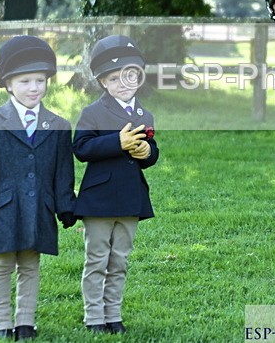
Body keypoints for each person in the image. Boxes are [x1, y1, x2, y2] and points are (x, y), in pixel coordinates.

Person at [0, 35, 76, 340]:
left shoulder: (58, 125)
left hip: (38, 207)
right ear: (8, 84)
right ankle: (1, 323)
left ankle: (25, 322)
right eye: (25, 81)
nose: (34, 88)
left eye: (40, 80)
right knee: (1, 264)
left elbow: (63, 172)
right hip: (1, 209)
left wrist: (65, 204)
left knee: (30, 264)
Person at [73, 35, 159, 335]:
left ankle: (114, 315)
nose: (124, 82)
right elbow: (81, 148)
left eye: (130, 75)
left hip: (130, 200)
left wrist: (148, 152)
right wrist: (117, 142)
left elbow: (151, 151)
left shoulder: (143, 115)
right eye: (114, 78)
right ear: (103, 82)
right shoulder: (92, 113)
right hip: (98, 201)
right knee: (97, 259)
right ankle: (95, 317)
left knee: (119, 261)